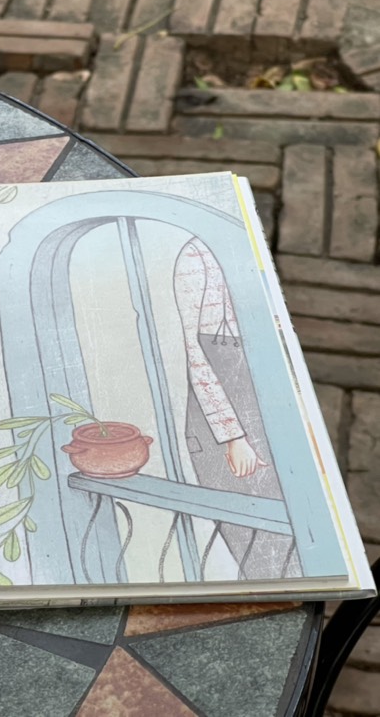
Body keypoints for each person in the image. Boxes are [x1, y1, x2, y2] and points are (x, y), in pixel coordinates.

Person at [173, 238, 298, 578]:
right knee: (255, 543)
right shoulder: (196, 255)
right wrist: (233, 437)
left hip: (259, 410)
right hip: (224, 427)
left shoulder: (240, 245)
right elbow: (194, 354)